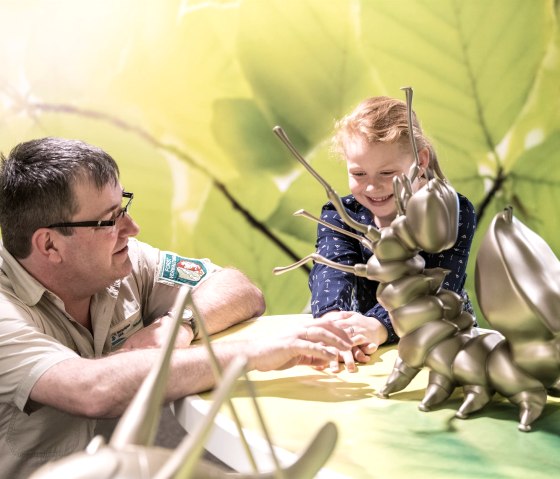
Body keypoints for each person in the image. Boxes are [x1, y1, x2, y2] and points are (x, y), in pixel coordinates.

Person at [0, 137, 354, 479]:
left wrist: (178, 324)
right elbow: (91, 390)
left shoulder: (125, 262)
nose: (132, 228)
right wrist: (254, 354)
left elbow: (239, 289)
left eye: (123, 206)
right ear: (49, 244)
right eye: (109, 220)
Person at [309, 96, 477, 372]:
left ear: (420, 161)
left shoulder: (450, 211)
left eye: (387, 172)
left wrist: (379, 326)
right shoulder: (340, 213)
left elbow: (440, 287)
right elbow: (330, 270)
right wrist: (333, 323)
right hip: (365, 345)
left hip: (442, 344)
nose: (373, 187)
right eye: (359, 173)